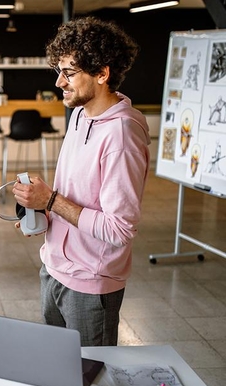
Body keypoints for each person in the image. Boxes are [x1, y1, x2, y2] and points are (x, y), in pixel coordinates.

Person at [11, 17, 150, 346]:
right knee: (58, 372)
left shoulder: (122, 134)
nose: (60, 82)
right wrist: (44, 215)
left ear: (102, 74)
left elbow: (119, 230)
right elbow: (74, 195)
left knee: (90, 383)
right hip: (54, 268)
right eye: (59, 71)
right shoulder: (79, 115)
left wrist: (50, 201)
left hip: (91, 283)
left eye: (69, 73)